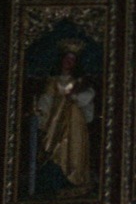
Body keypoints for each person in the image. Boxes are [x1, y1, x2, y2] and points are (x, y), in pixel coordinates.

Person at [35, 43, 96, 191]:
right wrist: (41, 119)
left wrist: (75, 97)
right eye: (67, 59)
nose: (69, 63)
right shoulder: (53, 81)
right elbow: (46, 102)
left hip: (76, 123)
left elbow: (88, 98)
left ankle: (75, 177)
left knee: (75, 149)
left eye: (73, 60)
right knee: (55, 149)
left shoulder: (80, 83)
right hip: (55, 123)